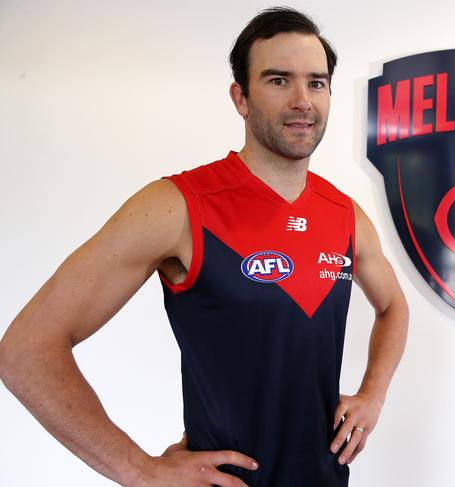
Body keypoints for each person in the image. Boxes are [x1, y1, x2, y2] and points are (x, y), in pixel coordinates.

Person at [0, 7, 408, 487]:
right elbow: (26, 349)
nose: (303, 101)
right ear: (241, 97)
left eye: (316, 83)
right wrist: (138, 469)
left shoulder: (346, 216)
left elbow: (393, 307)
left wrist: (373, 394)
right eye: (279, 81)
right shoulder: (177, 206)